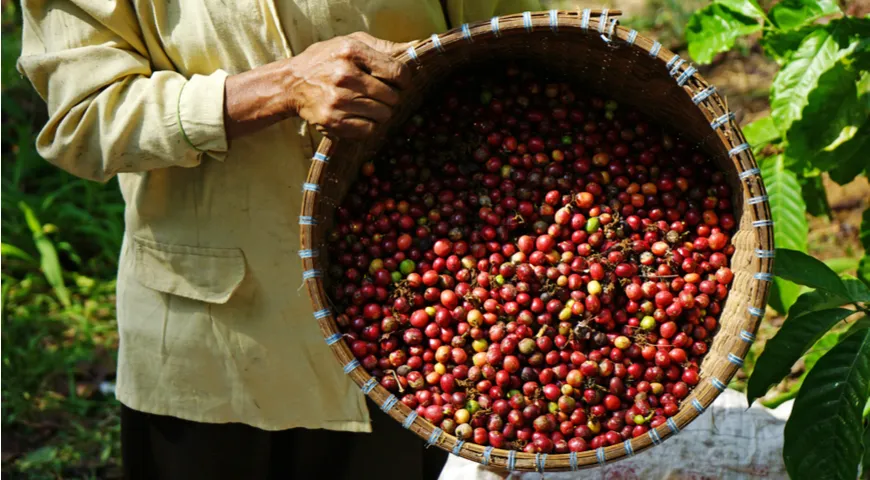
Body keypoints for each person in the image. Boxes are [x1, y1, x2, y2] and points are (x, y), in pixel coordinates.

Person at [17, 0, 560, 478]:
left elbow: (505, 55)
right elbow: (83, 120)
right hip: (212, 346)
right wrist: (278, 88)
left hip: (412, 331)